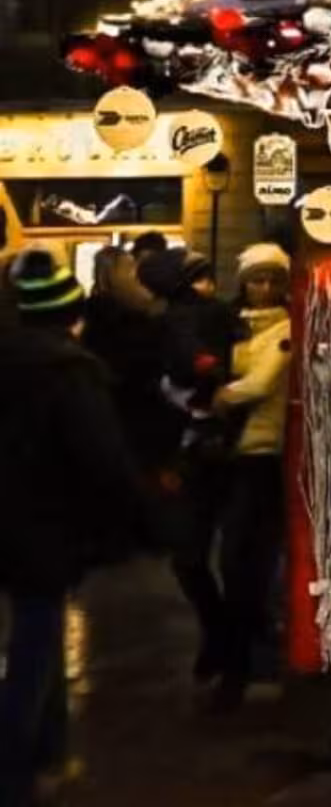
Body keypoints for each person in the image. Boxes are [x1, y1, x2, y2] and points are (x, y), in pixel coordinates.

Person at [1, 250, 155, 807]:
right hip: (45, 526)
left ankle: (49, 752)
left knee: (37, 638)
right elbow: (101, 458)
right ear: (70, 316)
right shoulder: (69, 373)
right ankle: (14, 776)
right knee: (34, 647)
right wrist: (140, 516)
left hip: (14, 522)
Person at [138, 247, 240, 686]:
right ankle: (228, 641)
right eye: (200, 275)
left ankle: (221, 638)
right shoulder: (214, 315)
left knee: (192, 556)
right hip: (225, 445)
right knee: (229, 557)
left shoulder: (170, 322)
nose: (208, 284)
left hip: (194, 449)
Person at [206, 243, 293, 711]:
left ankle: (247, 661)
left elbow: (261, 383)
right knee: (235, 561)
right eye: (257, 279)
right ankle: (241, 655)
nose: (264, 288)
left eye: (273, 279)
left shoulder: (285, 329)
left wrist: (224, 394)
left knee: (248, 562)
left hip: (262, 452)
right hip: (231, 454)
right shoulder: (233, 325)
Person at [82, 247, 175, 481]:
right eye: (131, 269)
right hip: (131, 419)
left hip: (114, 419)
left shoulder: (94, 316)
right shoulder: (125, 320)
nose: (139, 275)